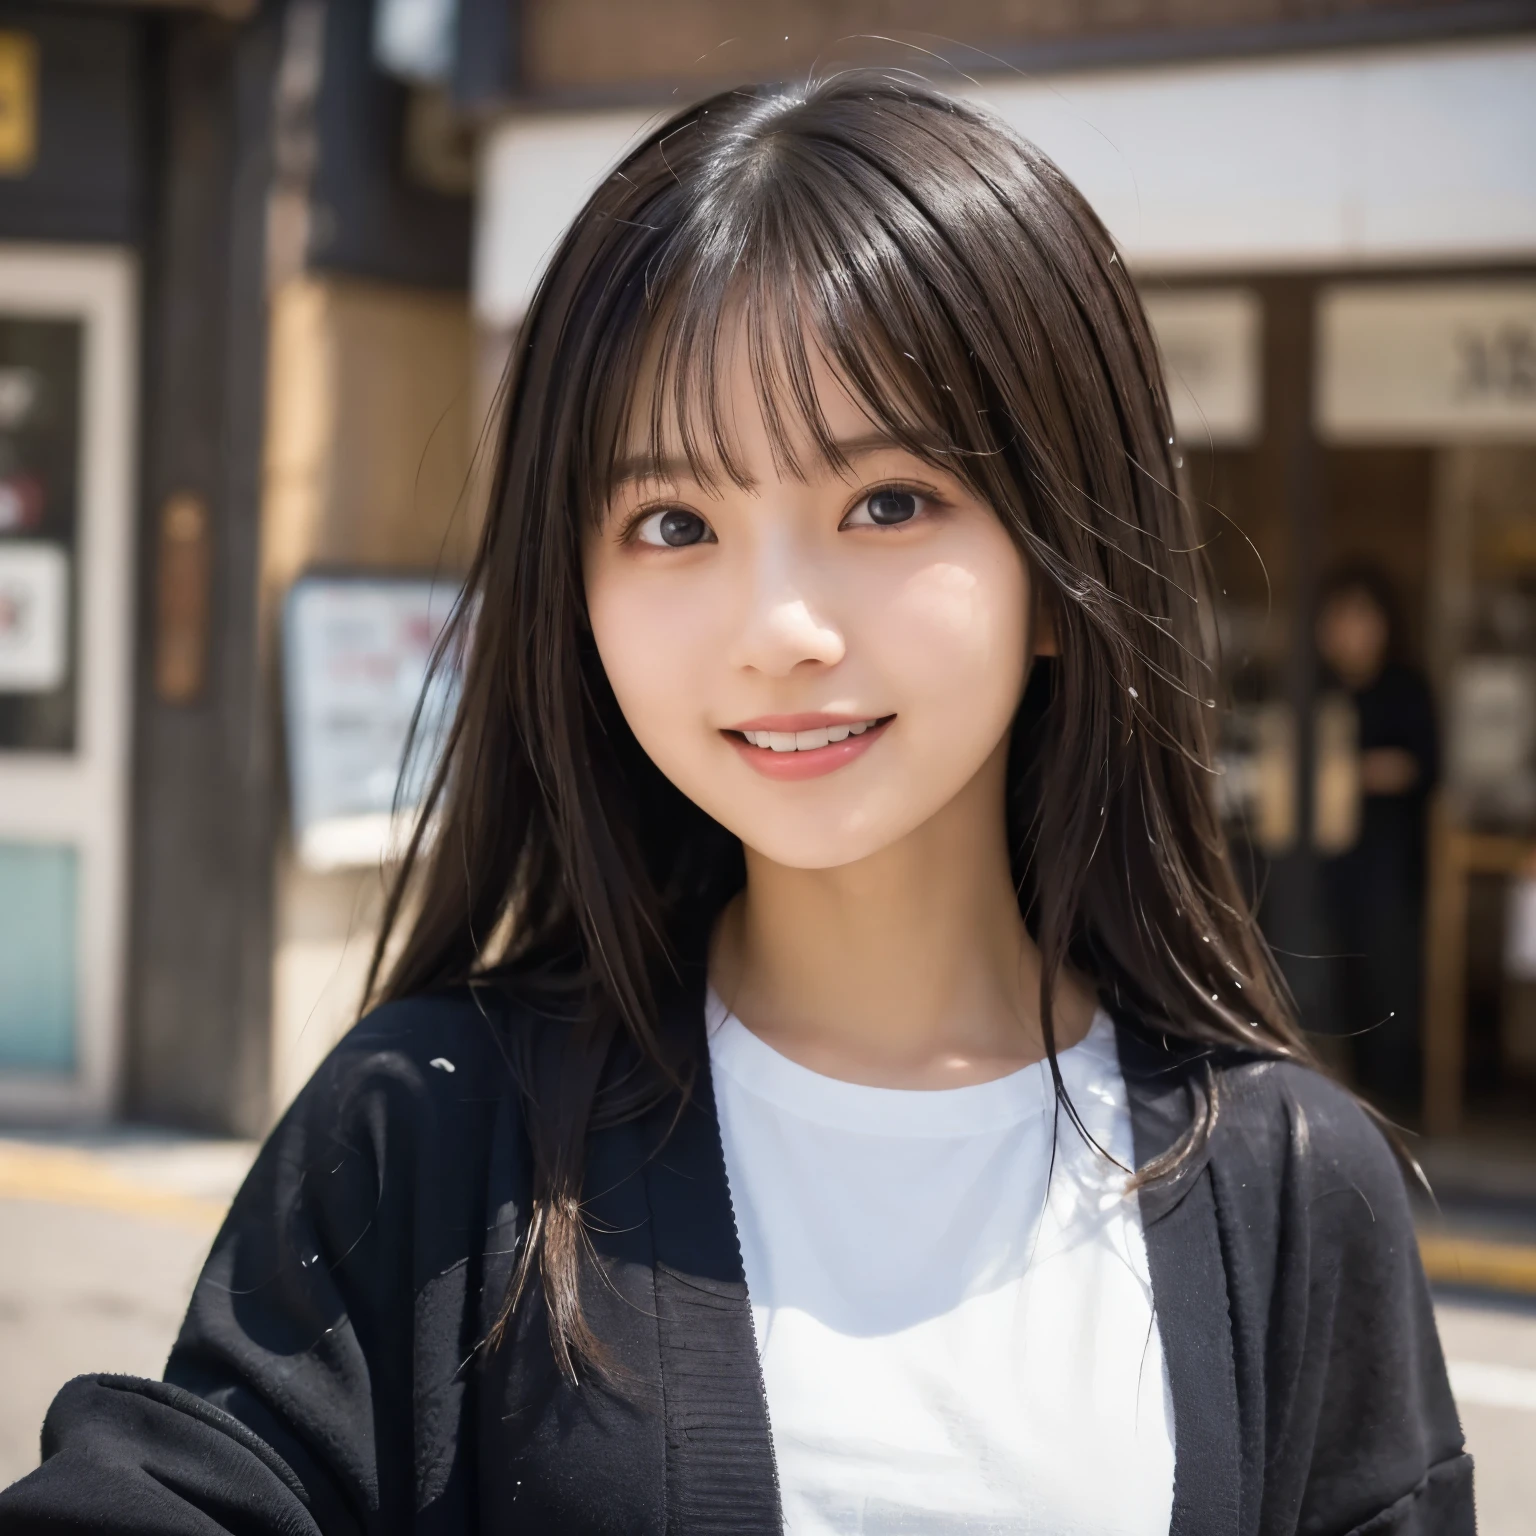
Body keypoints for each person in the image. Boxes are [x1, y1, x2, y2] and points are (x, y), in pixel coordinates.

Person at [0, 77, 1469, 1535]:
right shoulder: (433, 1135)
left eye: (888, 501)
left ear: (1061, 566)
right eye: (674, 523)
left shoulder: (1282, 1191)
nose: (779, 625)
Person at [1317, 564, 1439, 1111]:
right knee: (1330, 971)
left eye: (1361, 617)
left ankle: (1393, 1098)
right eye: (1339, 617)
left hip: (1390, 860)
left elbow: (1423, 767)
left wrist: (1347, 771)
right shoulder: (1314, 689)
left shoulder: (1407, 689)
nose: (1349, 630)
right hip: (1325, 862)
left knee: (1389, 974)